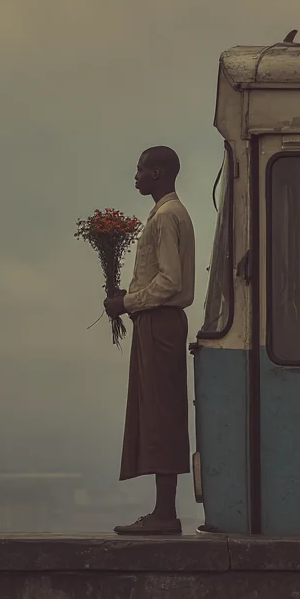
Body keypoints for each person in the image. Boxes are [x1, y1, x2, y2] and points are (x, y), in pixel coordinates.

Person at [103, 145, 196, 535]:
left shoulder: (166, 217)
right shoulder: (169, 214)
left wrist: (127, 302)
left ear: (157, 173)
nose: (136, 176)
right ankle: (163, 509)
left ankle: (164, 513)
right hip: (158, 321)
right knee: (159, 411)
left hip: (159, 322)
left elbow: (170, 282)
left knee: (160, 415)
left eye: (141, 170)